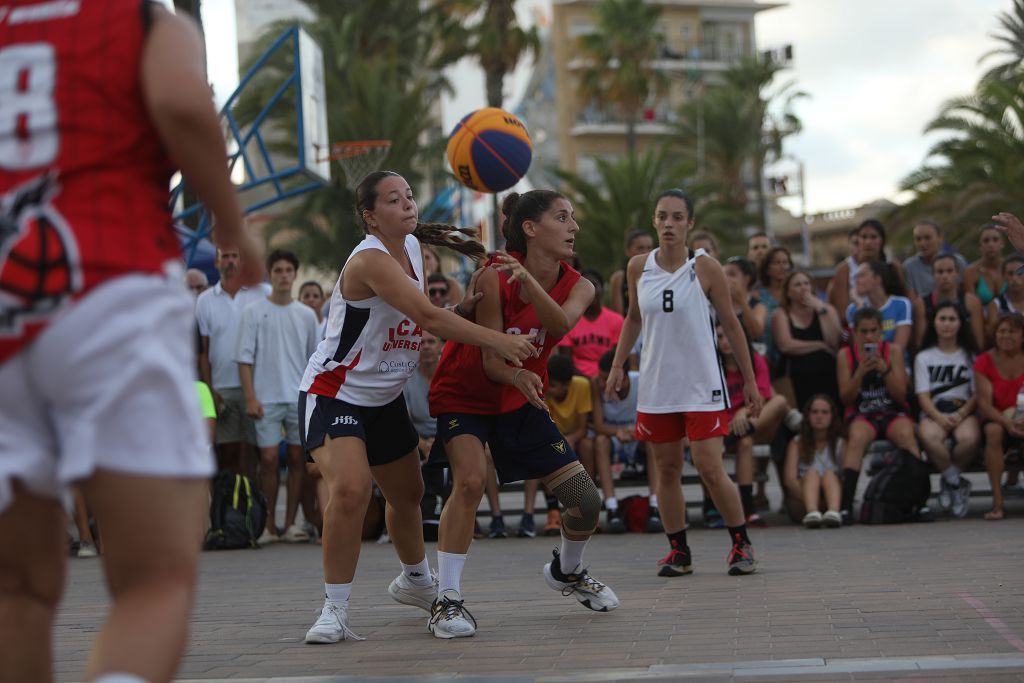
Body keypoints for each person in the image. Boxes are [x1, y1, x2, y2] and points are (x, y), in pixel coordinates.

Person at [0, 4, 264, 681]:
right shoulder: (138, 20)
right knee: (154, 582)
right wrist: (233, 228)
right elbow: (180, 104)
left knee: (17, 589)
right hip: (106, 288)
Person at [298, 171, 537, 644]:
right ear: (370, 217)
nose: (408, 204)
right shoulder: (370, 260)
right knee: (352, 490)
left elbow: (417, 317)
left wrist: (463, 311)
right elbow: (428, 316)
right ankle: (334, 609)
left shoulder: (410, 247)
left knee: (408, 494)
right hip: (335, 392)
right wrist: (498, 341)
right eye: (393, 200)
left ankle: (415, 580)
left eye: (409, 195)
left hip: (384, 398)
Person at [427, 190, 620, 639]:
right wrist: (517, 375)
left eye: (573, 217)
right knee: (470, 481)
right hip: (466, 393)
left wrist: (530, 283)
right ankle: (447, 598)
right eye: (562, 217)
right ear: (530, 228)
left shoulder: (581, 285)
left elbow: (560, 325)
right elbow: (493, 361)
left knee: (586, 501)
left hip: (520, 398)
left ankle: (567, 571)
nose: (574, 227)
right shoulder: (493, 276)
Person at [606, 189, 763, 578]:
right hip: (658, 386)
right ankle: (679, 551)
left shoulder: (706, 268)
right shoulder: (638, 267)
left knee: (710, 467)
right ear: (654, 221)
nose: (669, 224)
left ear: (690, 223)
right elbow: (633, 318)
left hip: (702, 385)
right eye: (662, 216)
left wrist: (750, 380)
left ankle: (741, 543)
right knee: (667, 469)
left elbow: (731, 324)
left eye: (677, 217)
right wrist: (618, 364)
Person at [236, 249, 320, 544]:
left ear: (295, 275)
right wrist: (251, 397)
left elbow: (314, 360)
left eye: (288, 270)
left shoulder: (306, 315)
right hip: (266, 398)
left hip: (299, 397)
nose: (283, 276)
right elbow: (244, 359)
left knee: (297, 459)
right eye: (278, 271)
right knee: (269, 460)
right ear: (270, 275)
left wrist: (313, 399)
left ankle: (291, 524)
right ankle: (268, 525)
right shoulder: (253, 312)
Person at [836, 308, 920, 524]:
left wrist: (885, 370)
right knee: (856, 437)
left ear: (881, 331)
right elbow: (846, 398)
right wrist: (860, 373)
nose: (869, 337)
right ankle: (846, 505)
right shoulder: (845, 355)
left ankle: (920, 500)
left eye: (874, 331)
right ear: (855, 332)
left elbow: (901, 395)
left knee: (906, 434)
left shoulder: (893, 351)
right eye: (864, 332)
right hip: (862, 412)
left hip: (890, 410)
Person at [196, 243, 270, 477]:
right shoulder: (204, 300)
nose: (229, 261)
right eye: (225, 256)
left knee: (258, 452)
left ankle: (253, 500)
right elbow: (203, 351)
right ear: (217, 262)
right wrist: (210, 389)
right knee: (226, 453)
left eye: (234, 256)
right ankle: (229, 500)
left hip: (258, 387)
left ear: (241, 261)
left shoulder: (262, 293)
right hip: (222, 387)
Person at [715, 323, 789, 527]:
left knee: (780, 401)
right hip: (727, 426)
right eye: (719, 337)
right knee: (745, 443)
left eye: (728, 335)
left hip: (754, 420)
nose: (725, 341)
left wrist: (743, 412)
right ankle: (749, 510)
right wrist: (733, 420)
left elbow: (762, 396)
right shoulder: (713, 366)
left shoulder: (755, 360)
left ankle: (733, 438)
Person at [914, 302, 979, 519]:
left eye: (952, 319)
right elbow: (923, 395)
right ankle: (956, 482)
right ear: (934, 323)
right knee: (929, 437)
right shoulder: (924, 357)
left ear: (960, 323)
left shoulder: (970, 356)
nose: (947, 324)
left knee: (969, 438)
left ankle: (948, 479)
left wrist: (960, 414)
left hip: (964, 410)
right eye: (942, 319)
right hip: (934, 410)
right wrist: (939, 417)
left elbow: (977, 394)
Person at [590, 350, 660, 532]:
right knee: (600, 442)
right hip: (614, 437)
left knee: (653, 441)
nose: (604, 383)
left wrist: (638, 431)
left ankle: (656, 505)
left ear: (625, 379)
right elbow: (598, 425)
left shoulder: (642, 381)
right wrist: (618, 432)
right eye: (602, 379)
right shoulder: (596, 385)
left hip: (640, 437)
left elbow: (654, 418)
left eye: (607, 380)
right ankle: (612, 507)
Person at [974, 313, 1024, 521]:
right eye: (1001, 331)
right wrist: (1007, 422)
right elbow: (984, 404)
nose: (1006, 336)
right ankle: (997, 501)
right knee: (993, 432)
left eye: (1012, 331)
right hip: (997, 416)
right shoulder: (984, 361)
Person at [772, 270, 842, 410]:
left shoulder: (827, 309)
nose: (804, 288)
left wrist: (821, 310)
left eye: (806, 283)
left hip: (828, 376)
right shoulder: (781, 314)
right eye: (797, 285)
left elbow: (833, 340)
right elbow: (786, 345)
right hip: (796, 378)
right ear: (788, 292)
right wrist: (820, 345)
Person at [783, 395, 845, 528]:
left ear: (832, 416)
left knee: (829, 475)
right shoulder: (797, 443)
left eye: (824, 412)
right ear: (807, 416)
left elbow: (846, 477)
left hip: (832, 496)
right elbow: (790, 480)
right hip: (803, 501)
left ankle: (833, 512)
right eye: (814, 412)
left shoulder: (841, 444)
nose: (819, 416)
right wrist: (812, 500)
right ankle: (813, 512)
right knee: (812, 474)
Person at [829, 219, 906, 318]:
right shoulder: (844, 269)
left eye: (873, 237)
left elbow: (902, 304)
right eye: (864, 237)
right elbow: (842, 312)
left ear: (882, 240)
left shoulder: (894, 266)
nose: (868, 242)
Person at [557, 269, 624, 377]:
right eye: (585, 286)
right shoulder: (569, 318)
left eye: (594, 285)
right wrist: (587, 381)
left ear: (602, 289)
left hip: (607, 377)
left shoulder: (617, 320)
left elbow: (618, 358)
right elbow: (566, 361)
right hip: (578, 379)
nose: (590, 290)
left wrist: (601, 379)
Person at [912, 254, 986, 351]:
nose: (945, 276)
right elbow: (920, 343)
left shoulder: (972, 302)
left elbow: (979, 342)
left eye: (949, 271)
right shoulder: (921, 304)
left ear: (957, 273)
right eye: (940, 272)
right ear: (933, 275)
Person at [845, 260, 912, 350]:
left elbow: (899, 349)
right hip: (868, 359)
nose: (856, 281)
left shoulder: (901, 304)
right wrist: (860, 307)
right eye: (855, 277)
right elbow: (860, 349)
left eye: (861, 276)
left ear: (877, 279)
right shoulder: (853, 309)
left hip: (895, 358)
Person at [902, 221, 967, 298]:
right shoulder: (909, 266)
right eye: (918, 239)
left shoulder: (957, 261)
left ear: (940, 238)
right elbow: (911, 297)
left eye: (927, 238)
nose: (922, 243)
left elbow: (965, 291)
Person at [755, 246, 793, 370]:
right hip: (766, 358)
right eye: (777, 262)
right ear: (767, 269)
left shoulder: (796, 293)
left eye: (785, 262)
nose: (782, 266)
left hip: (792, 359)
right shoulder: (758, 296)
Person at [724, 257, 768, 343]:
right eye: (723, 274)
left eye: (732, 274)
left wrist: (741, 301)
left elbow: (756, 333)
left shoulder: (758, 306)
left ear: (746, 279)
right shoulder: (717, 304)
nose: (726, 278)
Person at [964, 224, 1008, 307]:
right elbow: (971, 307)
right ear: (980, 245)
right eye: (986, 241)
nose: (991, 244)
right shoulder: (971, 272)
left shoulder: (1011, 268)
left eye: (995, 240)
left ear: (1002, 243)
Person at [988, 254, 1024, 335]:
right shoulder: (996, 305)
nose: (1014, 279)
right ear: (1003, 275)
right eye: (1010, 274)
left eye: (1020, 273)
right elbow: (994, 334)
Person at [422, 243, 463, 307]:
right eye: (420, 258)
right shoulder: (412, 283)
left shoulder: (451, 283)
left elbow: (456, 308)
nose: (423, 262)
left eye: (427, 257)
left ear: (437, 262)